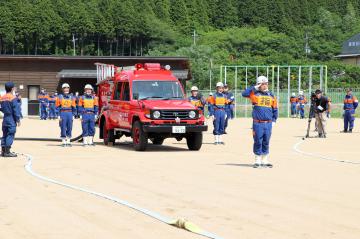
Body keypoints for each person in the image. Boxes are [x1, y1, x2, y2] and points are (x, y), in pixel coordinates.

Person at [242, 76, 278, 168]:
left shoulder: (271, 95)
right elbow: (244, 93)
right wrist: (254, 88)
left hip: (268, 123)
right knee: (258, 140)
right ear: (259, 85)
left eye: (266, 83)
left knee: (266, 141)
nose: (265, 85)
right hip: (258, 123)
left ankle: (265, 160)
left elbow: (275, 108)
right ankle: (257, 160)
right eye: (263, 84)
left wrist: (274, 120)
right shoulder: (254, 94)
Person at [0, 82, 21, 157]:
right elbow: (16, 110)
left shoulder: (2, 98)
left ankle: (3, 151)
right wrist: (18, 119)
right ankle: (7, 152)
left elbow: (1, 108)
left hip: (5, 118)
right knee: (10, 134)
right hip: (11, 118)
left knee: (4, 134)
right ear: (12, 89)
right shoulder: (13, 98)